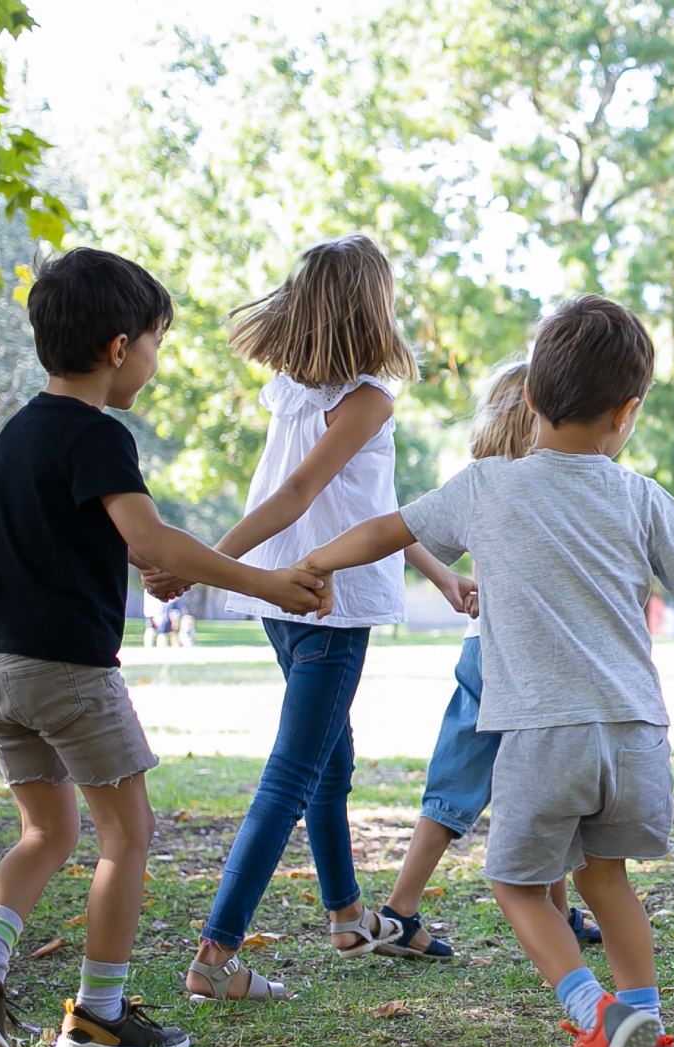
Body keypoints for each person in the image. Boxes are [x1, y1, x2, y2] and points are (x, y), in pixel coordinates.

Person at [297, 295, 674, 1047]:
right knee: (607, 882)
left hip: (543, 732)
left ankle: (598, 1015)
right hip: (636, 733)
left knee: (516, 885)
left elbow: (388, 530)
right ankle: (651, 1043)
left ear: (530, 397)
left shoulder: (485, 486)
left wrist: (316, 562)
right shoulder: (639, 494)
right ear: (628, 411)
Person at [0, 248, 328, 1047]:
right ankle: (98, 1017)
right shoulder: (99, 435)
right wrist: (267, 582)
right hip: (67, 672)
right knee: (127, 835)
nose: (154, 358)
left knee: (46, 830)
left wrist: (149, 561)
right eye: (155, 343)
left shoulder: (16, 434)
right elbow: (150, 539)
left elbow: (94, 542)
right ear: (119, 348)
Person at [142, 235, 475, 1005]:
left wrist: (439, 572)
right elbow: (294, 497)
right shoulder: (366, 398)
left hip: (283, 598)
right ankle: (215, 955)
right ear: (372, 307)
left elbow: (371, 506)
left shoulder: (294, 391)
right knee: (294, 773)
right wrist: (201, 562)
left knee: (331, 760)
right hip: (328, 602)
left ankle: (348, 918)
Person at [378, 358, 601, 962]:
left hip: (481, 650)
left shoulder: (483, 481)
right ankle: (412, 911)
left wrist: (451, 579)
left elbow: (406, 529)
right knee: (547, 779)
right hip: (527, 659)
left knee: (460, 781)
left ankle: (402, 909)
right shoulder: (548, 483)